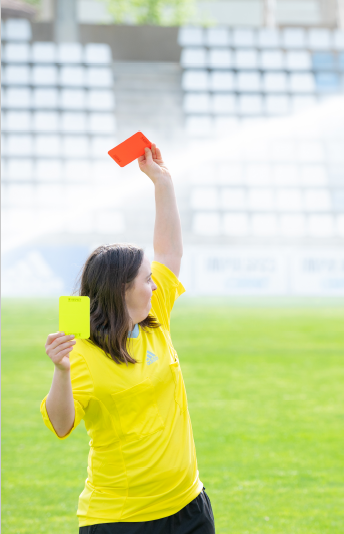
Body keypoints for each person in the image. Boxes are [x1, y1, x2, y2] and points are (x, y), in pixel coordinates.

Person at [41, 145, 214, 533]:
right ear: (123, 290)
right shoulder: (82, 351)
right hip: (122, 520)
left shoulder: (155, 315)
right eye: (146, 279)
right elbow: (61, 423)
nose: (155, 284)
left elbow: (169, 251)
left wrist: (162, 181)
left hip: (189, 506)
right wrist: (61, 371)